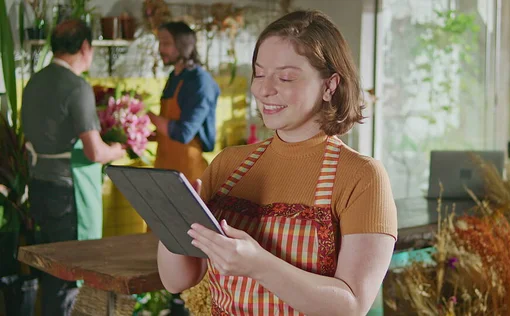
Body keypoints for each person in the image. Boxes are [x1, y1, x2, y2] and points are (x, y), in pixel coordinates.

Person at [157, 10, 397, 315]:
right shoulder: (228, 166)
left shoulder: (362, 177)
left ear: (330, 86)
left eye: (285, 77)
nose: (263, 89)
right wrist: (170, 219)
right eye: (259, 73)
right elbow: (177, 279)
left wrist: (259, 265)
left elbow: (351, 307)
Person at [21, 19, 126, 315]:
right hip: (67, 194)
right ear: (84, 47)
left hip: (38, 187)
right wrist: (116, 150)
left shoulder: (34, 81)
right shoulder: (77, 87)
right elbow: (93, 151)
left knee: (52, 274)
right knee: (70, 278)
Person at [149, 21, 220, 183]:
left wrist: (145, 113)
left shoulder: (199, 81)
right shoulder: (174, 77)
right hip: (163, 170)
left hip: (188, 176)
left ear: (183, 45)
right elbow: (167, 128)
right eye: (160, 43)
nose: (161, 49)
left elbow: (183, 133)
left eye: (166, 43)